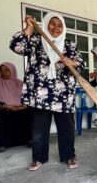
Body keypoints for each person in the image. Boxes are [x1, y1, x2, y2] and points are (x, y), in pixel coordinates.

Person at [10, 12, 85, 171]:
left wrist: (72, 62)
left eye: (60, 25)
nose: (56, 28)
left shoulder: (69, 44)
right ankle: (38, 158)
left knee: (66, 129)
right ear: (45, 24)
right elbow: (16, 46)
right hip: (40, 93)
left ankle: (69, 156)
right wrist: (29, 27)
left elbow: (81, 62)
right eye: (52, 23)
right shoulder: (36, 41)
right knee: (39, 129)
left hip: (63, 94)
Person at [0, 62, 31, 152]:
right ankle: (1, 144)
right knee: (5, 114)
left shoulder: (20, 83)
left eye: (7, 70)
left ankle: (29, 140)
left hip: (21, 108)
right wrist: (7, 106)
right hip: (5, 109)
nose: (4, 72)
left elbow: (28, 98)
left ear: (13, 71)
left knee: (28, 113)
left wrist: (23, 106)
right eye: (2, 71)